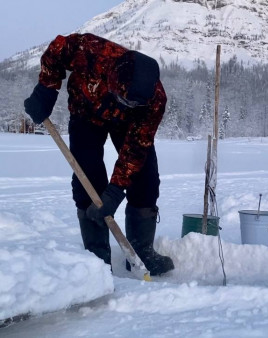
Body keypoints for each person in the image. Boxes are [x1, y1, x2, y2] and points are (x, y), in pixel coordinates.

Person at [24, 33, 174, 276]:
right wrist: (46, 90)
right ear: (113, 77)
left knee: (145, 177)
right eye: (124, 99)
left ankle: (140, 251)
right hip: (86, 113)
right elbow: (55, 52)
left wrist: (115, 191)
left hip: (127, 125)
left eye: (135, 103)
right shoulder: (91, 51)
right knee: (87, 178)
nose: (129, 104)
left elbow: (137, 147)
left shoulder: (154, 100)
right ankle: (97, 258)